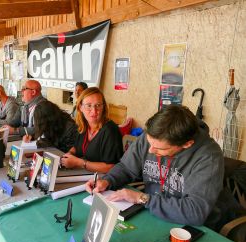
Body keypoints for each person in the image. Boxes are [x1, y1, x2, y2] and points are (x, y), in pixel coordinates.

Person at [86, 105, 224, 227]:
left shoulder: (209, 157)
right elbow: (127, 167)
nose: (150, 150)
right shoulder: (153, 135)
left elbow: (195, 212)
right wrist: (107, 180)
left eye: (160, 149)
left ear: (186, 144)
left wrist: (142, 198)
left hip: (191, 226)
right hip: (150, 211)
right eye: (149, 143)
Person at [61, 87, 123, 173]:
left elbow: (111, 167)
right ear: (80, 107)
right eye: (89, 106)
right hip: (86, 174)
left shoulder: (110, 131)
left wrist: (79, 163)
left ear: (103, 107)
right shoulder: (83, 126)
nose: (94, 111)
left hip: (104, 180)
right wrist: (69, 154)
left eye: (98, 105)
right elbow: (77, 147)